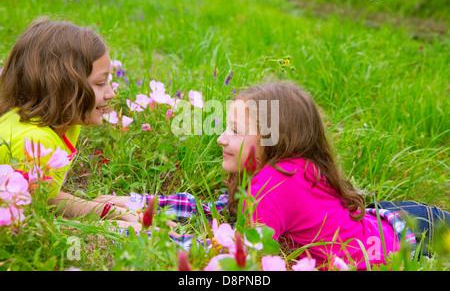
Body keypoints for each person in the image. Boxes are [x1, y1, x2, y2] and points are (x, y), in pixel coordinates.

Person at [96, 82, 449, 270]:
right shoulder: (281, 171)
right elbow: (217, 211)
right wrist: (141, 202)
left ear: (274, 140)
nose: (221, 138)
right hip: (391, 221)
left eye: (235, 131)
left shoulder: (277, 183)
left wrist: (137, 224)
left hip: (412, 240)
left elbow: (235, 257)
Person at [0, 17, 140, 226]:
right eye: (101, 83)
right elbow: (29, 221)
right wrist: (110, 223)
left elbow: (48, 197)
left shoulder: (65, 125)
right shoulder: (34, 143)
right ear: (63, 88)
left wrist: (108, 210)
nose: (111, 93)